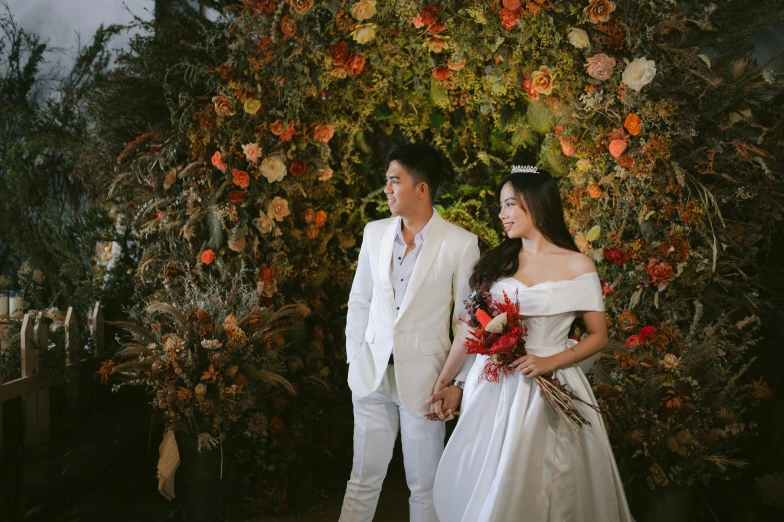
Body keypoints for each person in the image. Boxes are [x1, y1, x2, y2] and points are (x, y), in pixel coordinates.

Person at [429, 166, 634, 522]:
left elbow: (599, 336)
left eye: (509, 205)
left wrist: (551, 361)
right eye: (501, 206)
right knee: (488, 477)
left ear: (536, 205)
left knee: (551, 481)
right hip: (493, 388)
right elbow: (471, 330)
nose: (502, 214)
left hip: (552, 386)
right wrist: (447, 383)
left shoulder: (578, 265)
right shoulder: (497, 263)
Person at [339, 143, 480, 522]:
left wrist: (457, 383)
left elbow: (467, 320)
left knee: (425, 485)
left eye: (394, 181)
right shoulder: (374, 233)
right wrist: (355, 357)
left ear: (421, 188)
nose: (386, 189)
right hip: (371, 375)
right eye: (387, 181)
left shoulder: (461, 243)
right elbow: (360, 302)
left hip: (426, 380)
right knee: (363, 477)